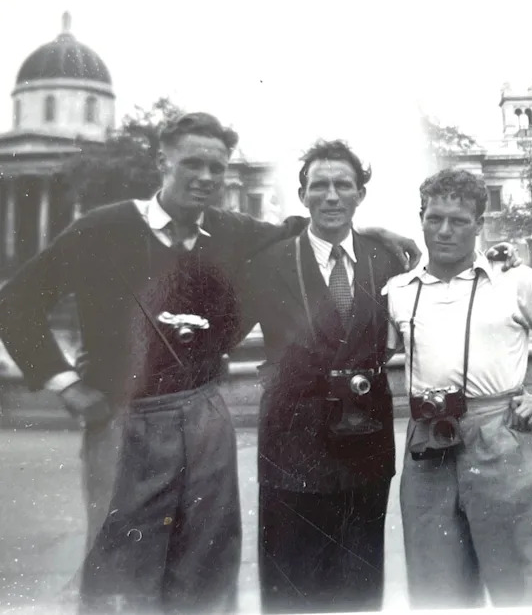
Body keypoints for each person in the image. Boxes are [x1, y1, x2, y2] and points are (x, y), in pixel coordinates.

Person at [0, 113, 419, 613]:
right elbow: (16, 302)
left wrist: (366, 230)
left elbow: (304, 228)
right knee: (121, 567)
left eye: (216, 168)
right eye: (192, 164)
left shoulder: (229, 230)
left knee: (208, 564)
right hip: (125, 419)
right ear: (163, 162)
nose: (205, 177)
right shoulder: (103, 228)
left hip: (204, 416)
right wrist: (65, 383)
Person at [384, 169, 532, 608]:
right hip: (427, 439)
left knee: (517, 576)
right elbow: (373, 356)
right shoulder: (399, 291)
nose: (444, 230)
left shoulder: (515, 280)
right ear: (420, 218)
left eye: (458, 221)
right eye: (434, 218)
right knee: (434, 580)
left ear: (479, 226)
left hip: (498, 432)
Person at [235, 140, 403, 613]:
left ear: (360, 195)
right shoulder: (269, 263)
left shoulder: (388, 259)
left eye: (343, 185)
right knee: (292, 583)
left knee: (360, 578)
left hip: (364, 442)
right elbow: (223, 329)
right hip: (294, 445)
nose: (331, 196)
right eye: (320, 186)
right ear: (303, 195)